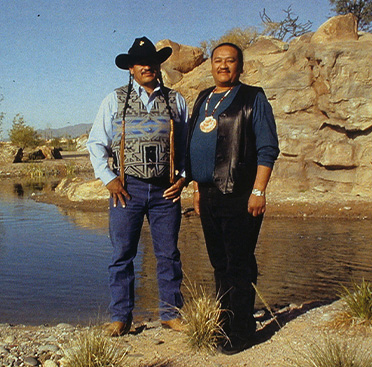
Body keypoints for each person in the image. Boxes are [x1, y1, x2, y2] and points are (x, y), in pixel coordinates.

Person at [87, 36, 188, 336]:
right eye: (141, 63)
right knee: (122, 254)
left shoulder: (175, 100)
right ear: (130, 68)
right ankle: (121, 317)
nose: (148, 67)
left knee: (168, 254)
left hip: (165, 191)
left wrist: (183, 177)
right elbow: (96, 143)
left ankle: (171, 314)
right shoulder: (114, 100)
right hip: (126, 189)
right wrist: (109, 179)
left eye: (153, 62)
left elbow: (184, 146)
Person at [186, 42, 279, 354]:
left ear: (241, 66)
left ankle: (240, 332)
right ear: (210, 65)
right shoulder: (203, 98)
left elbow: (268, 148)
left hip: (239, 193)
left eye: (230, 61)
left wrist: (258, 191)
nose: (223, 66)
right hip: (209, 193)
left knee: (238, 262)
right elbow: (195, 148)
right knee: (219, 262)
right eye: (218, 60)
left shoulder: (254, 98)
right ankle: (225, 322)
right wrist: (197, 188)